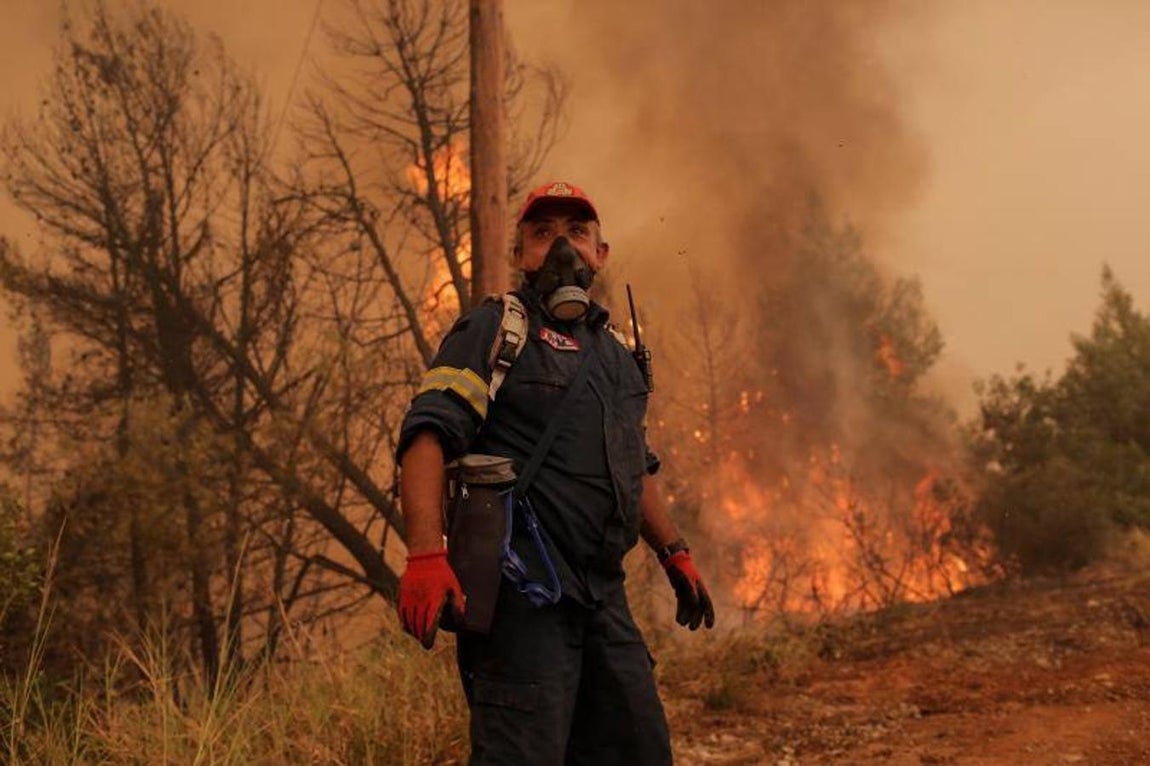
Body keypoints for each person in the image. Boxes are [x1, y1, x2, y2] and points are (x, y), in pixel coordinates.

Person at [395, 181, 715, 765]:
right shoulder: (495, 331)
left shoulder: (617, 354)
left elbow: (633, 465)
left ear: (601, 253)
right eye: (543, 234)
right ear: (520, 256)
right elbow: (426, 435)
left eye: (576, 233)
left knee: (641, 749)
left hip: (603, 599)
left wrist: (674, 552)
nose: (562, 247)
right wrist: (424, 553)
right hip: (523, 604)